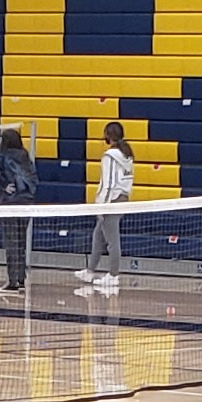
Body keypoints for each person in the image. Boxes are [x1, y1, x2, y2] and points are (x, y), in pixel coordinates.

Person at [79, 123, 134, 293]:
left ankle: (113, 275)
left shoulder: (110, 156)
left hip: (111, 201)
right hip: (122, 198)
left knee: (112, 240)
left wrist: (101, 205)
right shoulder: (127, 154)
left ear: (108, 135)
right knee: (98, 234)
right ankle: (90, 271)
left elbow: (108, 183)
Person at [0, 124, 38, 294]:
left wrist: (3, 185)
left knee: (11, 243)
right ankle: (21, 279)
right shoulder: (25, 156)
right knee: (21, 242)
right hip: (26, 204)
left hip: (10, 204)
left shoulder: (2, 157)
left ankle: (12, 282)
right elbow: (33, 179)